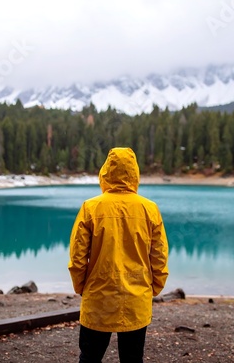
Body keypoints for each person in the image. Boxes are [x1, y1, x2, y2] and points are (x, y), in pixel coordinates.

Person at [68, 147, 169, 363]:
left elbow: (77, 257)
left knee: (89, 358)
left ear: (106, 171)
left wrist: (81, 287)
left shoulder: (91, 208)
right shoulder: (150, 209)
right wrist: (155, 287)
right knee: (133, 359)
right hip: (136, 299)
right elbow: (159, 256)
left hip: (98, 299)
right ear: (135, 173)